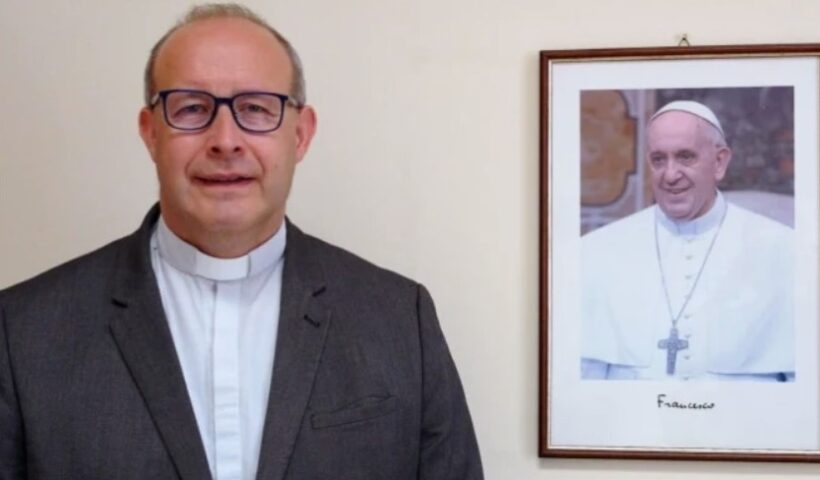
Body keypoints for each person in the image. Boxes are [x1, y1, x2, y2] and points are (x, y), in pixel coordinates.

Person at [0, 4, 483, 479]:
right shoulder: (23, 334)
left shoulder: (399, 321)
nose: (225, 140)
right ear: (150, 133)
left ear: (301, 134)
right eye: (191, 108)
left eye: (255, 108)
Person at [580, 100, 794, 382]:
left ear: (719, 162)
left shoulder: (785, 250)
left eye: (685, 157)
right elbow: (584, 385)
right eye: (659, 159)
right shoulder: (597, 251)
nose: (670, 175)